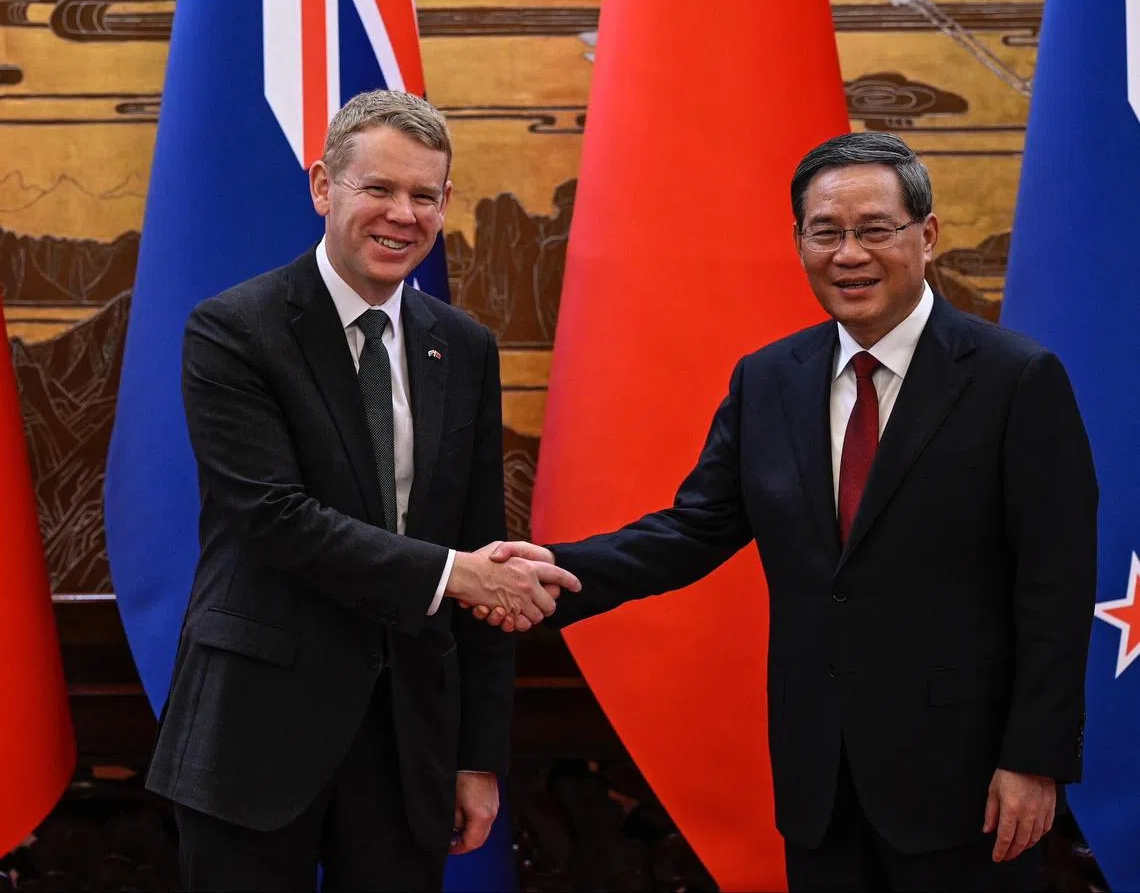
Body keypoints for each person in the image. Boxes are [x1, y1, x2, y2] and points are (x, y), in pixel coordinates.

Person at [477, 132, 1098, 892]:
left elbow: (1055, 586)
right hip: (820, 779)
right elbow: (694, 528)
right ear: (799, 241)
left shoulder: (1015, 380)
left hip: (969, 784)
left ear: (927, 235)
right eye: (825, 232)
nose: (849, 254)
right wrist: (554, 570)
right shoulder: (770, 379)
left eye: (875, 230)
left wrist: (1034, 759)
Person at [146, 90, 580, 892]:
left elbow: (485, 548)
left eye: (424, 195)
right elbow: (275, 519)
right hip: (256, 733)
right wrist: (454, 574)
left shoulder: (465, 348)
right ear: (323, 186)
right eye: (378, 188)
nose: (402, 215)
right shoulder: (235, 330)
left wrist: (477, 756)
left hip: (406, 747)